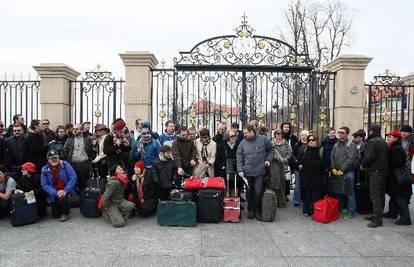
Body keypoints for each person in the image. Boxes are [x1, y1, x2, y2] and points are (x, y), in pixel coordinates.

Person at [237, 124, 274, 220]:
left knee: (258, 192)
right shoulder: (242, 143)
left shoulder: (263, 139)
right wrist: (240, 169)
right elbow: (239, 157)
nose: (244, 135)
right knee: (249, 192)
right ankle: (250, 210)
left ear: (252, 131)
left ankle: (257, 210)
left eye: (246, 133)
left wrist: (268, 160)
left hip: (260, 171)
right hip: (247, 172)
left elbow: (271, 150)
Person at [361, 125, 388, 228]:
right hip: (382, 171)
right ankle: (377, 216)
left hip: (375, 172)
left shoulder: (373, 142)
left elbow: (368, 157)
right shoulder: (382, 141)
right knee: (380, 195)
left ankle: (377, 219)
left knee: (375, 196)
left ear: (371, 131)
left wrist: (363, 164)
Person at [383, 130, 412, 225]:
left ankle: (405, 218)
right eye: (388, 136)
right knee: (394, 195)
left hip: (397, 177)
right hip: (395, 177)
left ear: (396, 138)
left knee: (399, 197)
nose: (388, 138)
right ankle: (392, 212)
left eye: (390, 136)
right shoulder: (395, 146)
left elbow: (397, 163)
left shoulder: (396, 149)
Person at [40, 149, 77, 222]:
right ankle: (61, 206)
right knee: (55, 215)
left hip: (65, 190)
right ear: (48, 159)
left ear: (58, 157)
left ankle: (65, 213)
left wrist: (65, 190)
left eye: (55, 158)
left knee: (62, 199)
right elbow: (44, 184)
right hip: (54, 192)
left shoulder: (65, 165)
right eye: (51, 158)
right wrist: (55, 192)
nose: (54, 160)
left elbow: (73, 177)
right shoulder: (44, 170)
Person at [330, 126, 358, 220]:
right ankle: (340, 208)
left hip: (348, 172)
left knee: (349, 192)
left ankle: (351, 211)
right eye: (339, 132)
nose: (340, 134)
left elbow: (351, 159)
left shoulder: (351, 144)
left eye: (343, 133)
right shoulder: (336, 144)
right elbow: (332, 157)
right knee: (339, 192)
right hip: (337, 172)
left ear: (347, 134)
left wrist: (342, 169)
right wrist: (333, 167)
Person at [300, 135, 325, 217]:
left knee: (315, 194)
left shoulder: (321, 150)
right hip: (306, 176)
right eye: (309, 140)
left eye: (313, 140)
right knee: (306, 193)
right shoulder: (305, 149)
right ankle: (306, 209)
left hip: (316, 176)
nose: (311, 141)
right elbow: (300, 160)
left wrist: (313, 164)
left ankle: (313, 209)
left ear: (317, 141)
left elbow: (325, 163)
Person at [63, 124, 93, 191]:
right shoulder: (70, 139)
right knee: (72, 183)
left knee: (83, 184)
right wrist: (68, 160)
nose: (74, 130)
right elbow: (65, 150)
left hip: (83, 164)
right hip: (72, 164)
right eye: (74, 129)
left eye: (77, 129)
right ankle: (74, 198)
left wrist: (89, 160)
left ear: (82, 130)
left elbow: (91, 151)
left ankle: (83, 198)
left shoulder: (87, 139)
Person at [269, 128, 292, 208]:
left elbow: (290, 153)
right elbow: (270, 153)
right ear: (275, 134)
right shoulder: (271, 143)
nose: (279, 135)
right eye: (278, 133)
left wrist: (285, 159)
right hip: (274, 166)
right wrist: (279, 159)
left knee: (282, 183)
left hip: (283, 165)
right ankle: (273, 202)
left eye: (281, 133)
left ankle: (281, 202)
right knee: (274, 183)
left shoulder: (286, 143)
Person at [281, 122, 298, 201]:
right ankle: (281, 194)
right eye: (285, 127)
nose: (286, 128)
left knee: (288, 178)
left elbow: (296, 148)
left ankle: (286, 194)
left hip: (290, 160)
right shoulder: (279, 136)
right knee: (281, 178)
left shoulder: (293, 137)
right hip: (281, 159)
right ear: (282, 127)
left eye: (288, 127)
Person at [291, 130, 309, 207]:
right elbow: (293, 155)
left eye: (305, 135)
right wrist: (298, 164)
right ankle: (296, 200)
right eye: (302, 135)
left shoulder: (310, 144)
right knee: (297, 185)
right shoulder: (297, 144)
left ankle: (305, 199)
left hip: (307, 168)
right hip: (298, 167)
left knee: (306, 184)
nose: (303, 137)